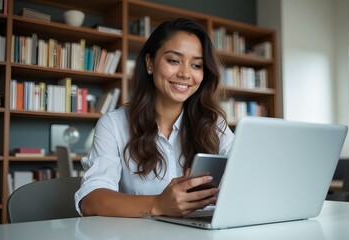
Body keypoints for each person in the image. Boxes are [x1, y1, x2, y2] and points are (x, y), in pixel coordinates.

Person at [75, 18, 234, 218]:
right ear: (150, 63)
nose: (185, 73)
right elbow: (92, 201)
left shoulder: (214, 124)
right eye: (174, 61)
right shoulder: (113, 124)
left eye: (196, 65)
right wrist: (158, 205)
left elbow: (247, 175)